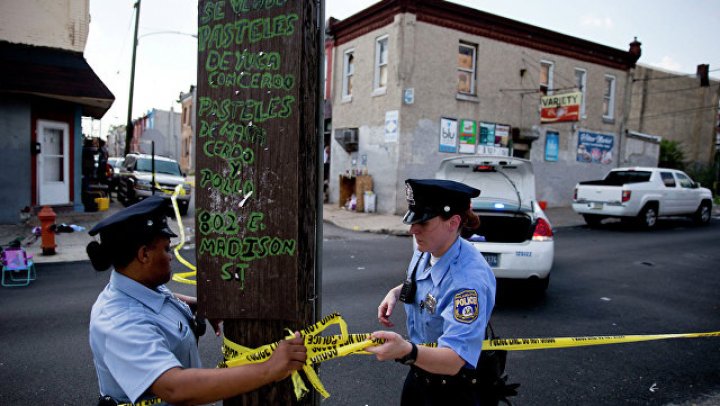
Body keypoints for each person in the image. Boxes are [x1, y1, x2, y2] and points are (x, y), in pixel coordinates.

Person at [87, 196, 307, 405]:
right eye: (166, 249)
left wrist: (201, 306)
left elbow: (163, 300)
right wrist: (270, 368)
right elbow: (174, 388)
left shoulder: (136, 286)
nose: (171, 256)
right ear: (144, 255)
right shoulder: (119, 323)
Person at [366, 179, 497, 405]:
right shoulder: (428, 247)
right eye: (413, 220)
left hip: (452, 389)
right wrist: (396, 292)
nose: (413, 229)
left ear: (453, 222)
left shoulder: (467, 282)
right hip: (420, 372)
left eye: (424, 223)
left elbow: (455, 359)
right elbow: (422, 281)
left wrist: (405, 351)